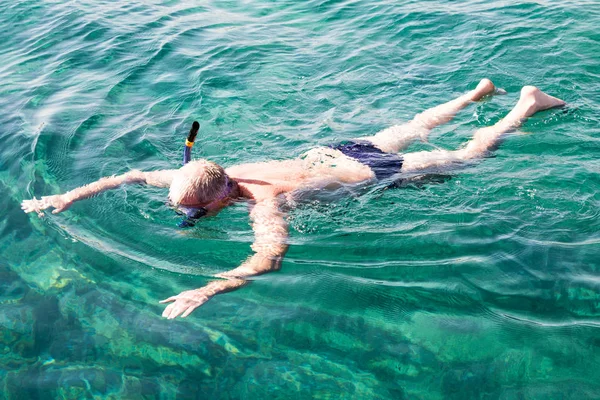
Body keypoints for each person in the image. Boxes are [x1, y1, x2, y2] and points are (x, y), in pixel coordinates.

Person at [21, 80, 565, 319]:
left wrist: (212, 288)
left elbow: (270, 256)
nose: (186, 215)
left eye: (192, 213)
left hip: (366, 171)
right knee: (411, 125)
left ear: (224, 195)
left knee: (468, 156)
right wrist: (66, 197)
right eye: (181, 208)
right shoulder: (197, 177)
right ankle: (475, 92)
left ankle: (522, 107)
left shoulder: (264, 203)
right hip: (332, 151)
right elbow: (130, 176)